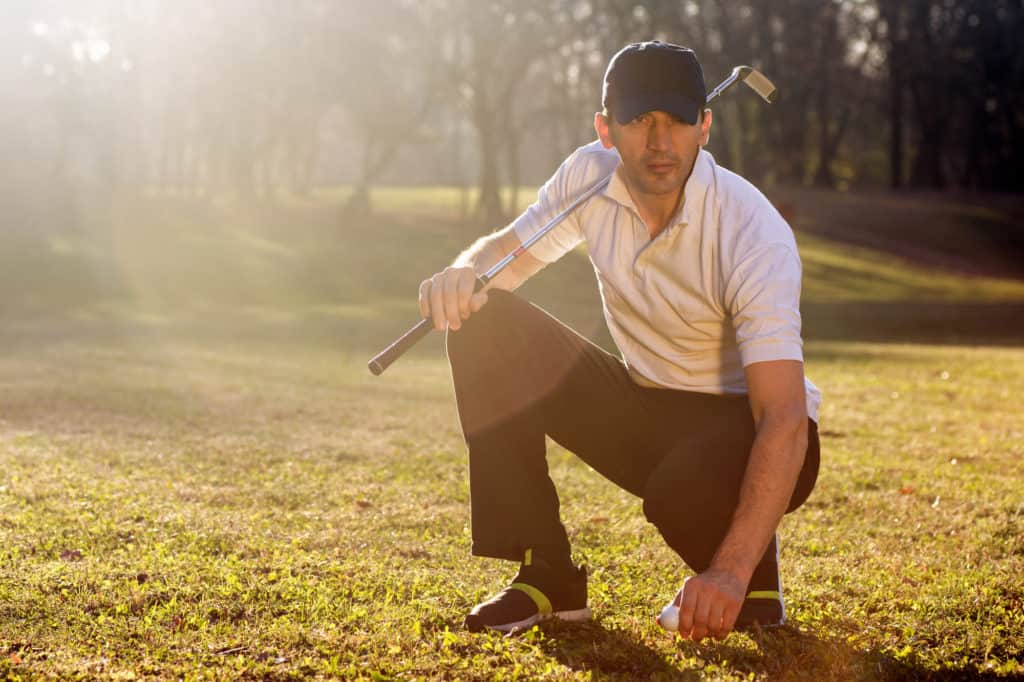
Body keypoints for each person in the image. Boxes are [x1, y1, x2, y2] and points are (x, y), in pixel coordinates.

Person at [418, 40, 822, 641]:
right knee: (483, 322)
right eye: (639, 120)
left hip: (748, 429)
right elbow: (503, 258)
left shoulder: (752, 230)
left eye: (678, 121)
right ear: (606, 130)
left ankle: (751, 573)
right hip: (646, 408)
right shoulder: (588, 178)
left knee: (677, 493)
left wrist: (729, 572)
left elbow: (784, 414)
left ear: (704, 126)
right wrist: (462, 272)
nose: (660, 142)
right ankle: (547, 571)